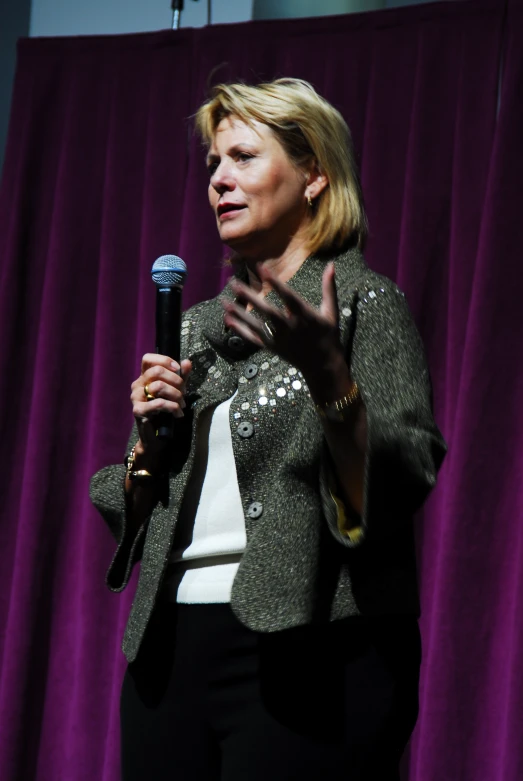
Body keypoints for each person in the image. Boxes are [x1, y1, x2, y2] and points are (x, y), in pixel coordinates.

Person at [90, 78, 447, 781]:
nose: (218, 179)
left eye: (243, 157)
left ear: (313, 174)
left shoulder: (363, 305)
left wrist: (329, 383)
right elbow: (145, 503)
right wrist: (145, 453)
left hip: (314, 649)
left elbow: (404, 473)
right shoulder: (194, 326)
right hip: (171, 649)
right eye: (212, 164)